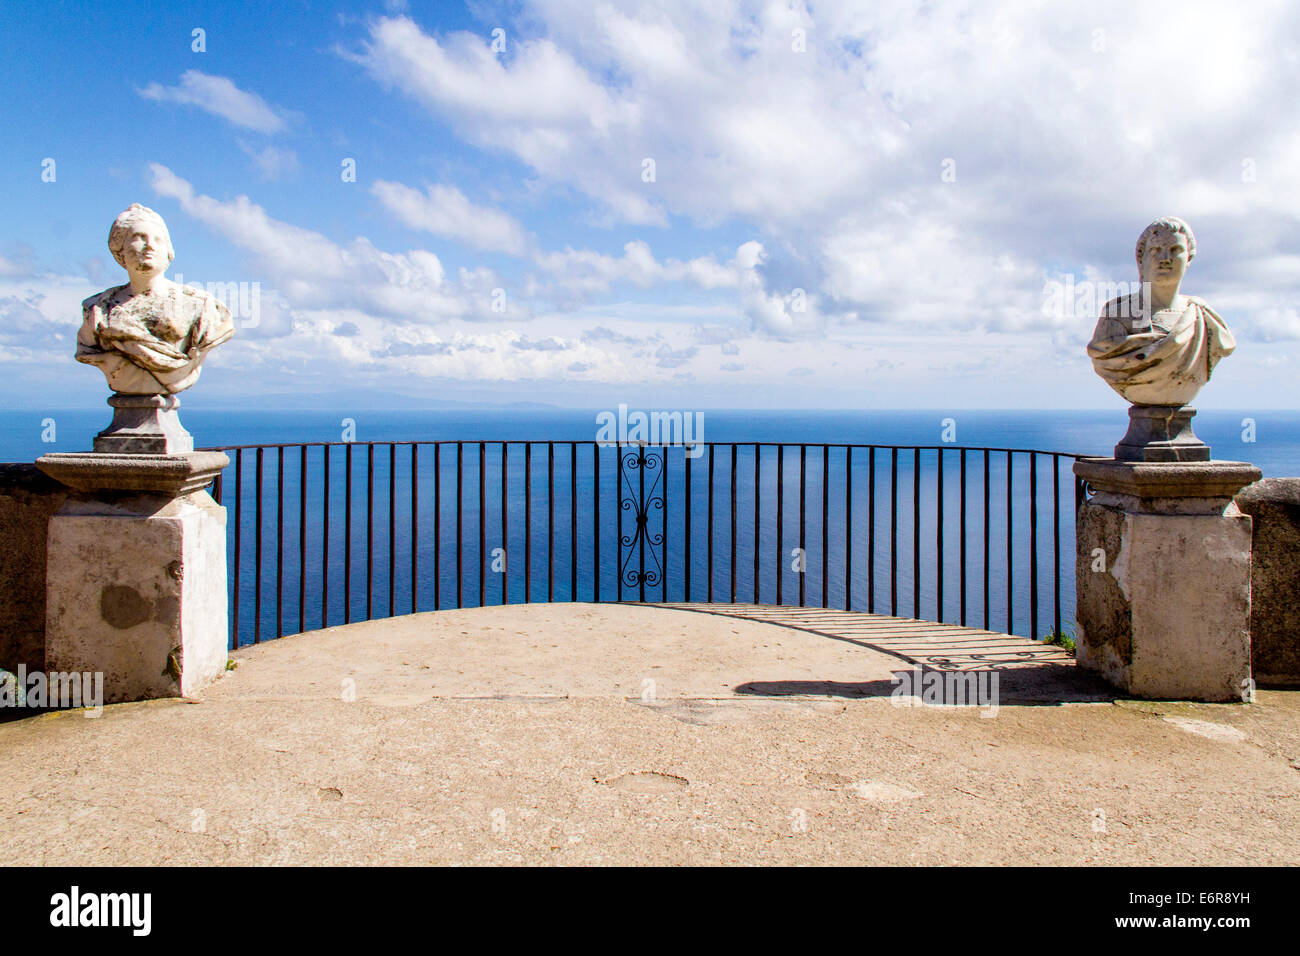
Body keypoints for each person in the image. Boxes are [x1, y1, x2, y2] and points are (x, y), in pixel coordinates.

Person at [76, 203, 235, 394]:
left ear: (168, 251)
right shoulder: (98, 310)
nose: (149, 245)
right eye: (139, 238)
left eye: (158, 240)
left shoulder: (200, 305)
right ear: (120, 250)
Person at [1087, 216, 1234, 407]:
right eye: (1156, 250)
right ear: (1141, 259)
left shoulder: (1203, 318)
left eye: (1176, 250)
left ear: (1188, 258)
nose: (1166, 259)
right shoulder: (1116, 316)